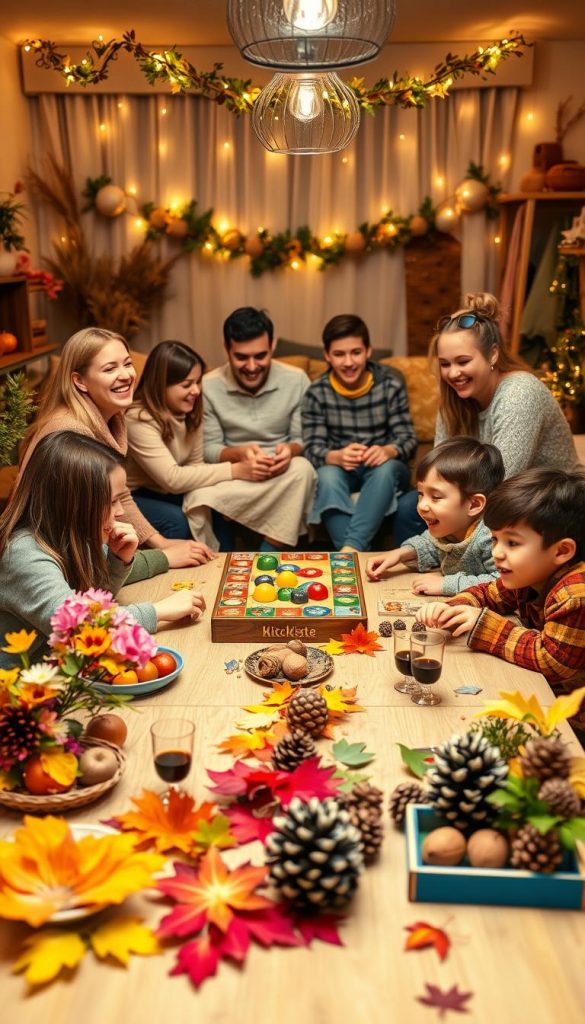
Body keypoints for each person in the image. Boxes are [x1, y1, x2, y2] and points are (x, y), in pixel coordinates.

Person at [0, 433, 205, 669]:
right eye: (113, 501)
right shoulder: (23, 554)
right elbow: (80, 628)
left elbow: (91, 599)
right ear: (74, 503)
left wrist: (118, 560)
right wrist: (159, 610)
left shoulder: (71, 536)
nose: (119, 512)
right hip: (19, 692)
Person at [18, 327, 214, 569]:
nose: (126, 375)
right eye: (110, 369)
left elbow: (118, 495)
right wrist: (163, 556)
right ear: (79, 381)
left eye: (127, 364)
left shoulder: (113, 417)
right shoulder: (71, 433)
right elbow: (79, 545)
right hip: (51, 560)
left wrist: (161, 543)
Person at [393, 292, 579, 545]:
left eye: (463, 361)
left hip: (549, 501)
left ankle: (465, 576)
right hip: (486, 497)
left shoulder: (519, 392)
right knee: (408, 507)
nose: (453, 373)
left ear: (492, 355)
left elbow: (499, 487)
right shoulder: (453, 398)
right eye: (445, 364)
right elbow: (438, 474)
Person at [415, 468, 585, 693]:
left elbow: (552, 661)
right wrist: (451, 609)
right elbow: (488, 593)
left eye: (512, 543)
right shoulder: (529, 573)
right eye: (495, 539)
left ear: (562, 551)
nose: (497, 552)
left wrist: (483, 625)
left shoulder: (575, 595)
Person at [202, 307, 316, 550]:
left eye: (260, 356)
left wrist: (290, 450)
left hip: (283, 475)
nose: (252, 367)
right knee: (197, 497)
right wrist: (240, 455)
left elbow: (303, 439)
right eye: (241, 357)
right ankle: (220, 563)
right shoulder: (207, 386)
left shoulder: (296, 380)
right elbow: (209, 448)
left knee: (303, 468)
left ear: (272, 346)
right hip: (236, 475)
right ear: (226, 348)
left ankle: (269, 551)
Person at [302, 314, 416, 552]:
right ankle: (354, 556)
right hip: (341, 467)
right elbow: (312, 447)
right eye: (339, 354)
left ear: (368, 351)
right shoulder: (317, 392)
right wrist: (335, 456)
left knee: (385, 470)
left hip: (383, 467)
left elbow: (407, 438)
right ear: (326, 355)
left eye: (356, 352)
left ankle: (350, 550)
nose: (348, 362)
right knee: (326, 476)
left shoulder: (389, 384)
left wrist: (388, 450)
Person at [126, 341, 256, 548]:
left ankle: (224, 567)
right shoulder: (137, 419)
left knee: (217, 505)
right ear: (161, 385)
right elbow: (172, 479)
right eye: (186, 385)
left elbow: (196, 465)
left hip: (168, 491)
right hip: (134, 495)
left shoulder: (190, 410)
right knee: (176, 519)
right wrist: (236, 470)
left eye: (198, 382)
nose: (195, 391)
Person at [367, 437, 504, 595]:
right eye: (420, 494)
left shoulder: (490, 539)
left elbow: (504, 584)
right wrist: (399, 554)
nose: (421, 506)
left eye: (436, 497)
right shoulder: (453, 527)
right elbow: (432, 543)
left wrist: (446, 584)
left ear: (473, 504)